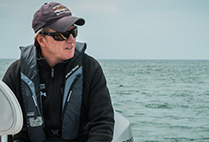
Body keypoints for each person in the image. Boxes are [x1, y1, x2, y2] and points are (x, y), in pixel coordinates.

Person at [3, 2, 114, 142]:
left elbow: (102, 122)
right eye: (62, 35)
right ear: (41, 40)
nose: (71, 40)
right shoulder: (16, 73)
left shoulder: (90, 68)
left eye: (74, 32)